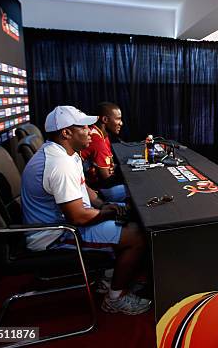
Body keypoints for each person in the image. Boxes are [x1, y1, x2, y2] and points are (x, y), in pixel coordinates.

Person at [21, 106, 151, 315]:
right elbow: (79, 217)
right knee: (136, 235)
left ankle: (110, 277)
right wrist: (109, 212)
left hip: (66, 224)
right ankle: (115, 298)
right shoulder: (58, 164)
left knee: (129, 214)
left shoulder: (66, 153)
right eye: (83, 127)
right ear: (66, 133)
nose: (90, 131)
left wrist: (103, 205)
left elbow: (85, 189)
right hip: (55, 236)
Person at [80, 102, 127, 203]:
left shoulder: (102, 135)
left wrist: (114, 169)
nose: (121, 123)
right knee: (135, 190)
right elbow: (107, 179)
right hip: (95, 191)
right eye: (118, 119)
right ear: (105, 120)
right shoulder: (96, 140)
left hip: (93, 186)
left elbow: (110, 166)